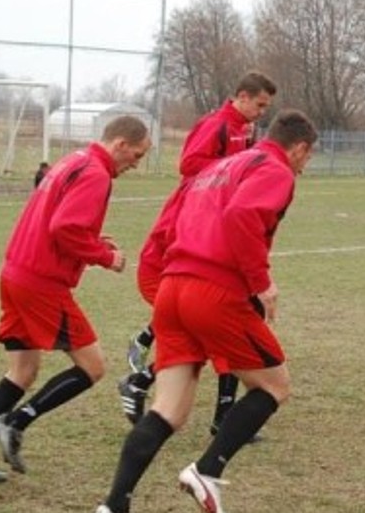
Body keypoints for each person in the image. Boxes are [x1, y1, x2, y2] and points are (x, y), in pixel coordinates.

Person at [91, 110, 318, 513]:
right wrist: (261, 283)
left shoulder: (217, 168)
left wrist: (162, 284)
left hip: (172, 288)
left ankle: (115, 507)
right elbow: (241, 217)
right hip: (212, 289)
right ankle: (207, 470)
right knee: (274, 386)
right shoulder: (274, 169)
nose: (303, 168)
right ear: (300, 148)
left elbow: (164, 228)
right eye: (307, 159)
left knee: (168, 411)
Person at [0, 115, 150, 484]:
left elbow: (58, 220)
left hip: (15, 272)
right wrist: (104, 256)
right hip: (40, 283)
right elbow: (64, 228)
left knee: (22, 371)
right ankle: (14, 422)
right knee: (93, 367)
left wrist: (91, 240)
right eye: (136, 154)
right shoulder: (96, 173)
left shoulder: (73, 160)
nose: (136, 163)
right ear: (120, 144)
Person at [117, 72, 276, 439]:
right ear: (241, 96)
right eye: (259, 105)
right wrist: (229, 173)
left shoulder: (243, 134)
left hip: (202, 257)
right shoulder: (216, 131)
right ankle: (141, 376)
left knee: (222, 329)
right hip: (171, 265)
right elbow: (190, 165)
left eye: (266, 108)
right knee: (210, 332)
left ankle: (213, 412)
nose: (261, 113)